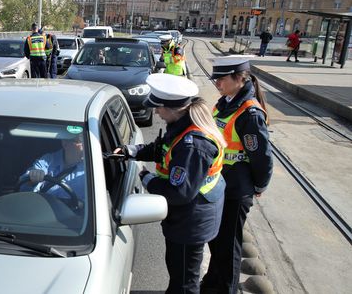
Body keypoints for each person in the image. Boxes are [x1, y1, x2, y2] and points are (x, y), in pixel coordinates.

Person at [114, 73, 226, 294]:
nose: (155, 111)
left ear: (173, 108)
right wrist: (131, 152)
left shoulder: (193, 145)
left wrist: (146, 177)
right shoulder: (182, 126)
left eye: (158, 107)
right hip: (189, 216)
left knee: (184, 282)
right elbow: (162, 148)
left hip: (191, 222)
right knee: (179, 274)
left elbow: (179, 193)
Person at [201, 56, 273, 294]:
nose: (217, 83)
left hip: (237, 189)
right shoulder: (225, 102)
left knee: (229, 246)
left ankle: (225, 289)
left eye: (221, 79)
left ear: (238, 78)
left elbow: (261, 156)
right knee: (218, 241)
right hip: (221, 183)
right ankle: (212, 283)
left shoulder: (249, 114)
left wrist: (260, 185)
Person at [19, 135, 86, 202]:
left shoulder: (90, 168)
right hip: (44, 208)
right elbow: (23, 188)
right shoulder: (48, 160)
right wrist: (33, 180)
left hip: (73, 211)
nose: (86, 147)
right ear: (65, 143)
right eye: (81, 142)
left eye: (86, 143)